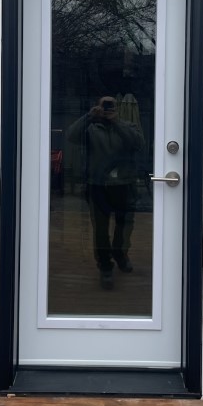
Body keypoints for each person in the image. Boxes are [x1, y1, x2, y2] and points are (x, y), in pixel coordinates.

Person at [66, 96, 145, 289]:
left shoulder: (127, 125)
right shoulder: (91, 127)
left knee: (125, 226)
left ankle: (120, 254)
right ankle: (105, 266)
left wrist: (116, 121)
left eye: (111, 105)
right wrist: (89, 116)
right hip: (98, 184)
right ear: (98, 106)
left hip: (124, 184)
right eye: (104, 105)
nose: (108, 108)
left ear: (117, 107)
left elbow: (138, 143)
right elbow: (71, 136)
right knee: (100, 229)